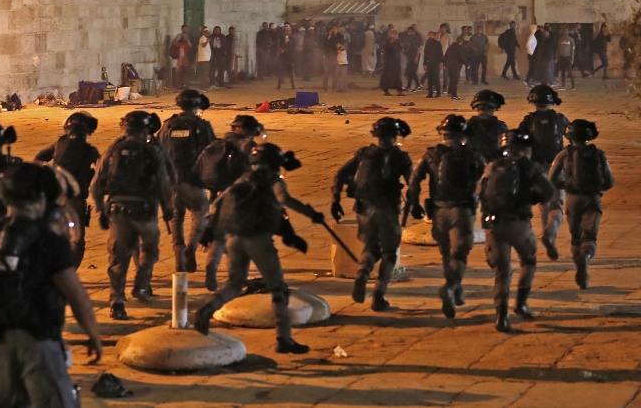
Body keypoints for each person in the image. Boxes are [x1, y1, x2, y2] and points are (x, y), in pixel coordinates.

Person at [0, 162, 102, 407]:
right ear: (41, 197)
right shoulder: (50, 241)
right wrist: (93, 334)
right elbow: (78, 299)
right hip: (39, 342)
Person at [195, 143, 321, 354]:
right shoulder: (273, 180)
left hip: (234, 239)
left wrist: (209, 231)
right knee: (278, 289)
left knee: (234, 284)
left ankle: (206, 309)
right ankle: (284, 338)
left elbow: (216, 205)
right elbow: (284, 200)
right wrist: (311, 215)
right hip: (259, 240)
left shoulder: (242, 180)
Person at [91, 111, 174, 320]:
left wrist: (101, 209)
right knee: (150, 249)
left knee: (118, 259)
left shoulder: (113, 150)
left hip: (118, 211)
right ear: (146, 129)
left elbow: (96, 183)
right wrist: (168, 208)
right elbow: (165, 182)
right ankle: (142, 284)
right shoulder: (153, 150)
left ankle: (117, 302)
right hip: (145, 211)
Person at [331, 118, 413, 311]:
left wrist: (335, 200)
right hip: (387, 209)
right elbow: (413, 184)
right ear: (394, 137)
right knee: (389, 253)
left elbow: (340, 174)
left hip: (363, 209)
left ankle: (362, 273)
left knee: (371, 246)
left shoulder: (364, 154)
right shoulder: (401, 157)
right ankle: (379, 295)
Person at [407, 116, 486, 319]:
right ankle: (451, 287)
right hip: (462, 211)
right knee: (460, 253)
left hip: (438, 212)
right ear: (463, 135)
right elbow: (485, 182)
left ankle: (456, 288)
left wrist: (414, 205)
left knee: (445, 254)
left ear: (442, 134)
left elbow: (414, 181)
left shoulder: (431, 155)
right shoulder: (473, 155)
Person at [479, 130, 555, 332]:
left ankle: (501, 317)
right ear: (526, 150)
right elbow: (548, 191)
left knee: (502, 273)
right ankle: (521, 303)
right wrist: (531, 199)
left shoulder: (492, 167)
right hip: (519, 224)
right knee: (528, 261)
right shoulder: (529, 167)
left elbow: (480, 193)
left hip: (494, 226)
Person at [194, 115, 263, 290]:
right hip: (239, 198)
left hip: (217, 195)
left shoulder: (218, 143)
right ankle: (239, 278)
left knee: (219, 234)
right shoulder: (248, 146)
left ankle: (212, 264)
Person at [548, 120, 614, 289]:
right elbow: (609, 182)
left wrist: (566, 184)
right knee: (590, 236)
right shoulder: (598, 154)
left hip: (572, 198)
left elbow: (552, 179)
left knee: (575, 236)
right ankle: (586, 256)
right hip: (592, 198)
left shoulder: (564, 154)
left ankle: (579, 262)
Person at [159, 90, 216, 273]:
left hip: (171, 180)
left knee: (176, 216)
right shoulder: (203, 126)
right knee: (200, 211)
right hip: (194, 180)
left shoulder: (167, 125)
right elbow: (213, 152)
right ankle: (191, 247)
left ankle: (179, 254)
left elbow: (159, 149)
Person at [34, 112, 101, 268]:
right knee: (76, 240)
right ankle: (70, 272)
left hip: (54, 198)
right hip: (75, 200)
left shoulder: (58, 144)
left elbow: (38, 159)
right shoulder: (89, 150)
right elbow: (101, 168)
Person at [518, 85, 570, 261]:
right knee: (557, 205)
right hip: (556, 165)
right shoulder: (560, 119)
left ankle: (545, 234)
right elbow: (573, 135)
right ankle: (550, 234)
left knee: (543, 204)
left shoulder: (527, 121)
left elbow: (520, 143)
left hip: (537, 168)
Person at [466, 90, 509, 163]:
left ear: (476, 107)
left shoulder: (466, 125)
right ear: (494, 107)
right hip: (493, 167)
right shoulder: (500, 126)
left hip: (471, 166)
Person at [380, 29, 405, 96]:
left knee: (397, 76)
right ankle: (386, 90)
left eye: (395, 32)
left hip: (396, 61)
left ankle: (399, 91)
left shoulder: (398, 41)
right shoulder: (387, 41)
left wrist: (399, 42)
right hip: (388, 61)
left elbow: (402, 47)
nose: (394, 33)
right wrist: (392, 40)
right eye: (393, 32)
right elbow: (387, 48)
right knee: (387, 76)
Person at [323, 24, 345, 91]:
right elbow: (325, 44)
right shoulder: (328, 36)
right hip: (329, 56)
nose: (334, 30)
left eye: (335, 29)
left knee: (335, 73)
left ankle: (334, 87)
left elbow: (342, 45)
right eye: (333, 29)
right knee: (327, 72)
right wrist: (329, 37)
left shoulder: (340, 36)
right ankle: (325, 87)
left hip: (337, 56)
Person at [444, 36, 466, 100]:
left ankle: (450, 92)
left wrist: (445, 64)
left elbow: (446, 55)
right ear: (461, 42)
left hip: (449, 65)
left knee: (451, 79)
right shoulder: (459, 48)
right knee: (455, 80)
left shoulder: (450, 47)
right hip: (456, 65)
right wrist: (466, 64)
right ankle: (454, 95)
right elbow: (461, 56)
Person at [423, 31, 443, 98]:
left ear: (434, 36)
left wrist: (441, 63)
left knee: (436, 78)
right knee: (429, 79)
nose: (430, 36)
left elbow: (441, 54)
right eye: (429, 35)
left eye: (431, 35)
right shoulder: (427, 43)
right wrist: (424, 64)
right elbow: (425, 54)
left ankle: (438, 93)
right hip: (429, 63)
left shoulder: (437, 43)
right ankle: (430, 93)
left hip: (436, 64)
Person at [171, 24, 192, 89]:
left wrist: (187, 40)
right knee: (179, 69)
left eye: (186, 28)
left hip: (186, 54)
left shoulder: (188, 36)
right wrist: (180, 45)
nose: (185, 29)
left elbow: (190, 45)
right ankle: (179, 85)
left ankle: (185, 84)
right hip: (180, 54)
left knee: (186, 70)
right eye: (184, 28)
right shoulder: (179, 35)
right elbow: (173, 42)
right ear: (182, 29)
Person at [555, 26, 576, 90]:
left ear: (568, 32)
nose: (565, 32)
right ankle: (563, 85)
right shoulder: (560, 40)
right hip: (561, 57)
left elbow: (573, 49)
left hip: (568, 57)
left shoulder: (571, 40)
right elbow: (558, 49)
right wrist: (556, 57)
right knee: (562, 72)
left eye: (566, 30)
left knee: (569, 72)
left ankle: (573, 85)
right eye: (564, 30)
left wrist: (572, 58)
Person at [402, 26, 423, 91]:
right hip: (409, 56)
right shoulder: (407, 38)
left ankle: (410, 86)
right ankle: (417, 85)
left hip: (414, 56)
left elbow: (418, 48)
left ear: (413, 32)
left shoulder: (416, 38)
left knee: (411, 71)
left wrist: (416, 57)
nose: (409, 33)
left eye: (410, 31)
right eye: (408, 31)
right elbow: (405, 46)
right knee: (411, 72)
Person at [277, 25, 297, 90]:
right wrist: (281, 49)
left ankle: (293, 85)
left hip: (290, 56)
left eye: (289, 30)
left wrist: (287, 50)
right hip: (283, 56)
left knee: (291, 71)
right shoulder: (281, 37)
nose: (288, 32)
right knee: (281, 71)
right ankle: (279, 85)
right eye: (287, 30)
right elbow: (279, 45)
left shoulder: (293, 38)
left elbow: (293, 47)